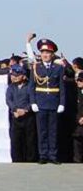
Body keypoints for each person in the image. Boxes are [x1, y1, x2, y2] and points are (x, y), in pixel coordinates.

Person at [25, 35, 65, 165]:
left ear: (52, 54)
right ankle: (43, 155)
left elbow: (61, 87)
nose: (45, 55)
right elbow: (32, 87)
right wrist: (33, 102)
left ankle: (53, 155)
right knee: (42, 131)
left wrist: (62, 103)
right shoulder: (36, 67)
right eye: (43, 52)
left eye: (47, 52)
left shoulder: (58, 68)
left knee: (53, 131)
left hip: (53, 102)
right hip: (40, 102)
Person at [5, 63, 37, 163]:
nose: (14, 77)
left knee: (29, 140)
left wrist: (25, 110)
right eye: (12, 75)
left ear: (23, 76)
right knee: (15, 140)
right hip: (15, 116)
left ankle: (30, 160)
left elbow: (33, 99)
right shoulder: (11, 87)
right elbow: (9, 100)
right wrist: (14, 110)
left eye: (17, 75)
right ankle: (16, 160)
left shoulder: (29, 86)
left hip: (28, 116)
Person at [73, 69, 83, 163]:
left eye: (81, 80)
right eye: (78, 80)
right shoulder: (75, 92)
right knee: (77, 141)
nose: (79, 82)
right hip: (78, 123)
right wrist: (78, 119)